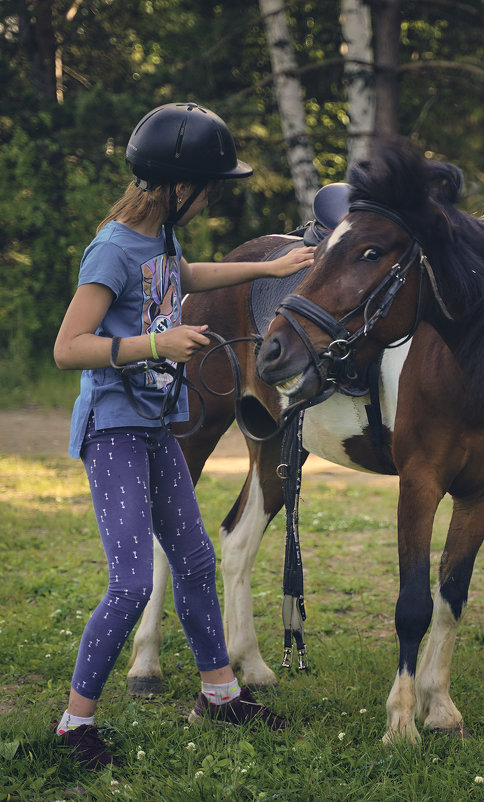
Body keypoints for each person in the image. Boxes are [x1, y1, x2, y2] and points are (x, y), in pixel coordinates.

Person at [53, 101, 315, 770]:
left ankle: (220, 695)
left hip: (155, 427)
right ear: (176, 186)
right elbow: (68, 346)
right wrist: (153, 343)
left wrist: (267, 270)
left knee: (197, 562)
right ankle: (72, 726)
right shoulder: (111, 248)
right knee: (133, 583)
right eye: (206, 189)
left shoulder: (162, 242)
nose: (207, 202)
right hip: (113, 431)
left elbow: (184, 278)